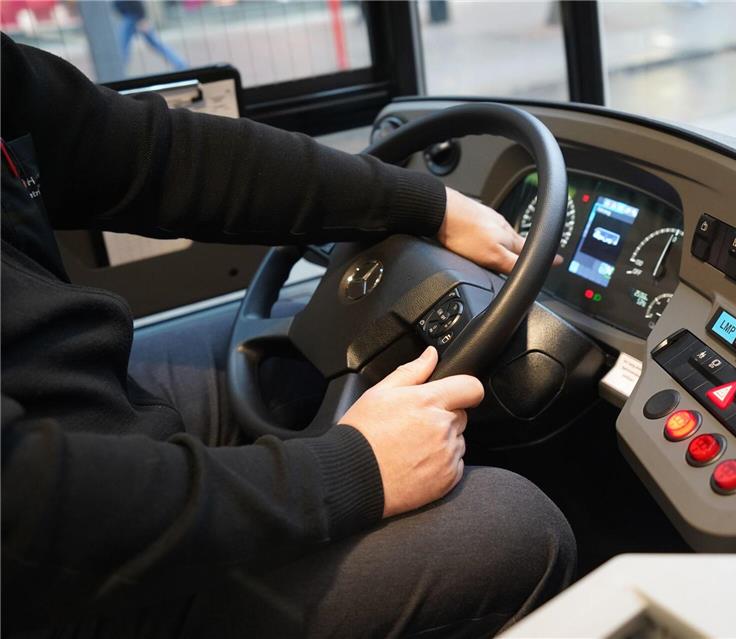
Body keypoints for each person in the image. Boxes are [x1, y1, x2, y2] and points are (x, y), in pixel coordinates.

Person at [0, 34, 576, 638]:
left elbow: (155, 155)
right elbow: (32, 516)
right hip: (52, 582)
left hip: (62, 413)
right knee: (514, 527)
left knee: (270, 357)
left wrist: (428, 205)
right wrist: (352, 469)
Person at [113, 0, 187, 73]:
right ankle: (180, 64)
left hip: (134, 17)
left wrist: (142, 19)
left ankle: (180, 64)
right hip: (129, 17)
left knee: (122, 47)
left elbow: (136, 2)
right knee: (123, 47)